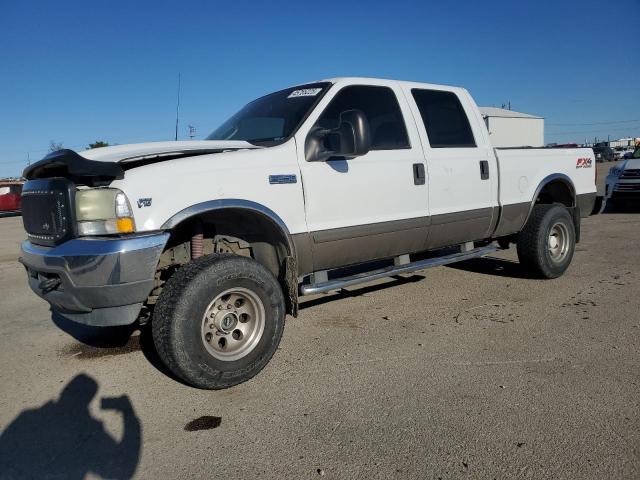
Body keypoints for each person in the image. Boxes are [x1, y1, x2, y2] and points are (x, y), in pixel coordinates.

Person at [0, 374, 141, 479]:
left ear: (63, 392)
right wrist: (128, 414)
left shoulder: (27, 416)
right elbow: (124, 471)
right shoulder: (88, 428)